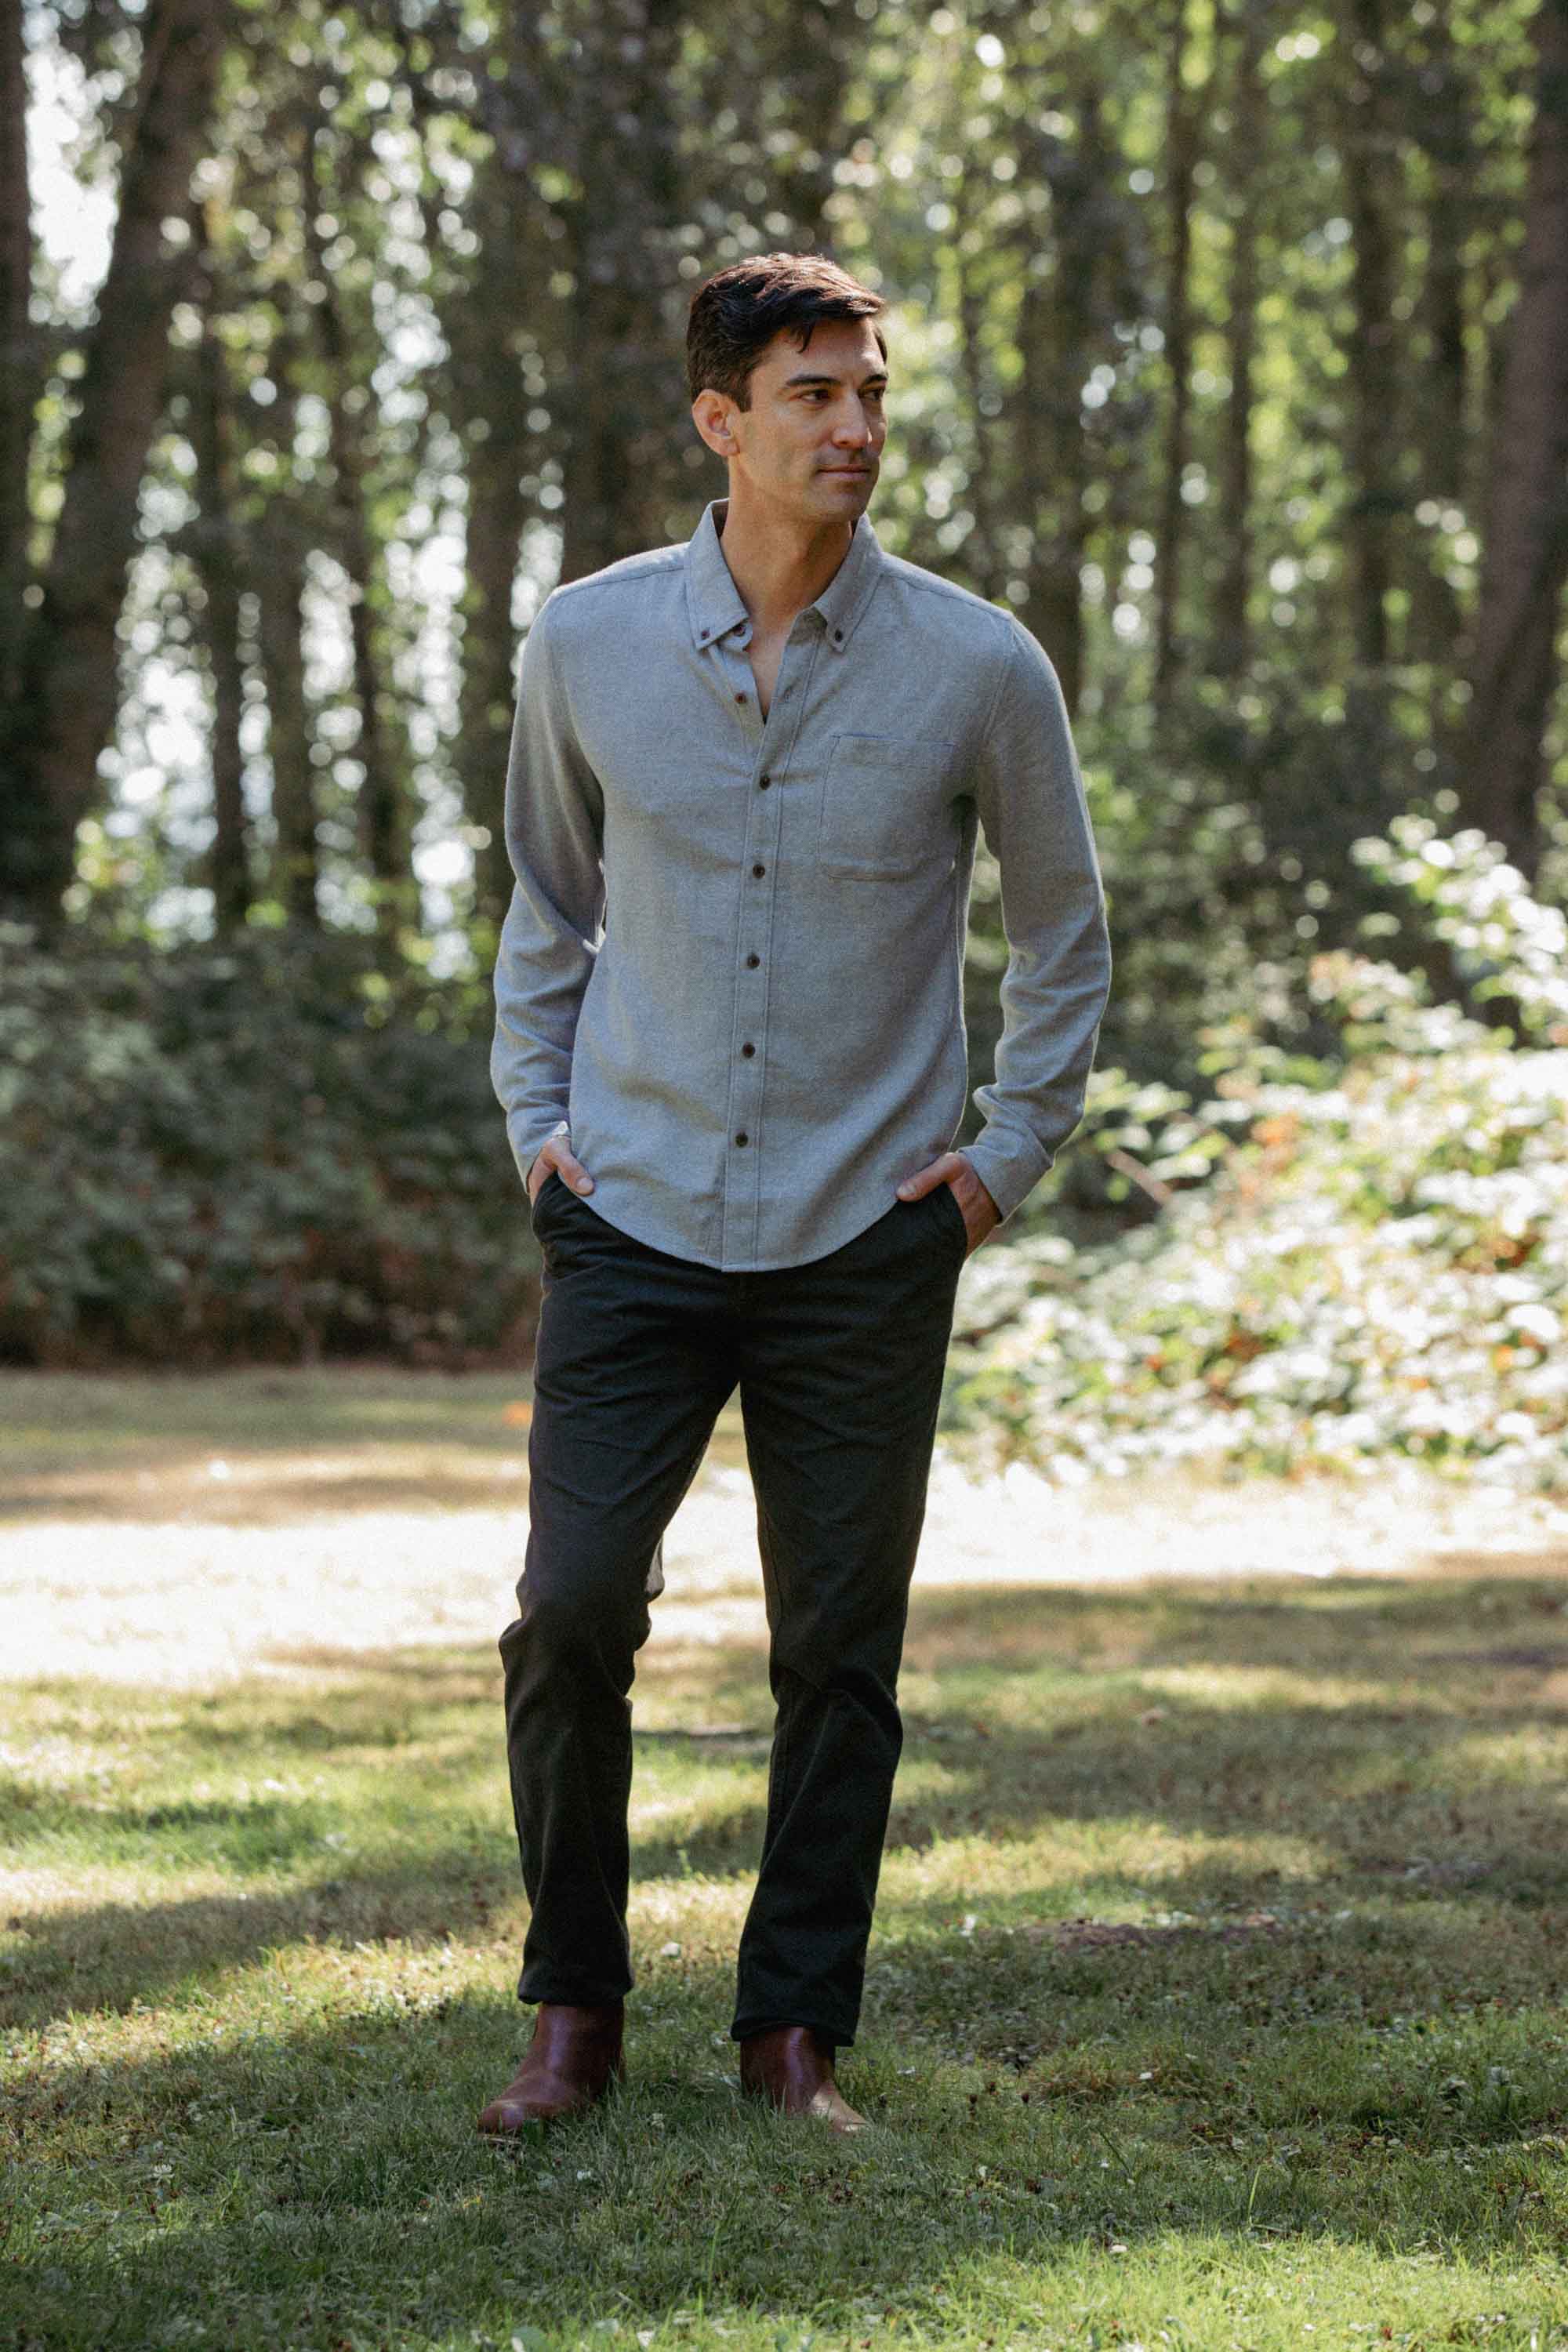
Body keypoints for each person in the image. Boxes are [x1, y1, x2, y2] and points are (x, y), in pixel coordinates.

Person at [479, 252, 1111, 2138]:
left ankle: (790, 2036)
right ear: (720, 421)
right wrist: (535, 1123)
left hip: (865, 1232)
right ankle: (573, 2017)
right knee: (568, 1611)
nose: (853, 427)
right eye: (813, 394)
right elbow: (546, 901)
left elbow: (1064, 933)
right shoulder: (585, 642)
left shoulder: (977, 666)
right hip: (631, 1210)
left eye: (870, 393)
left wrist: (999, 1163)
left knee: (838, 1652)